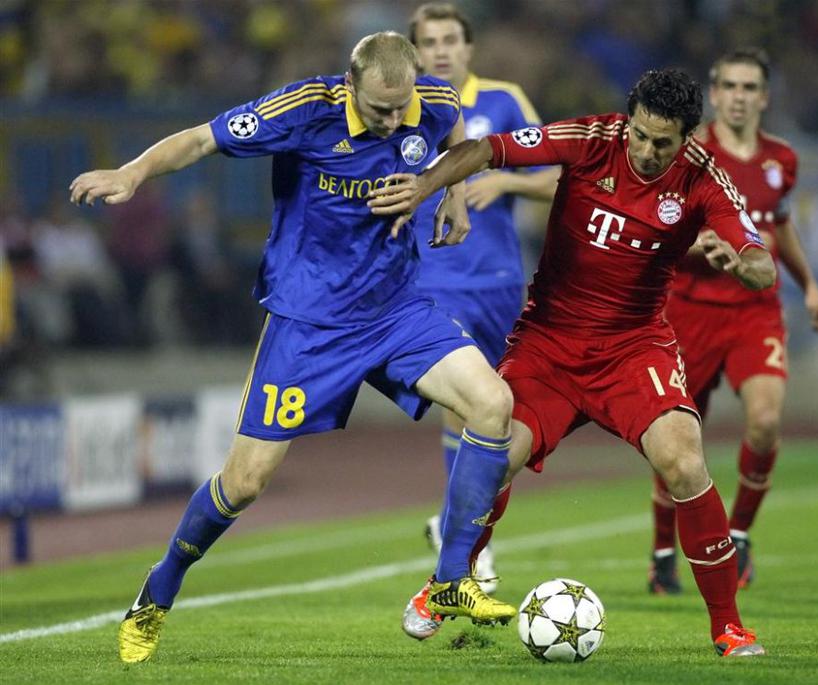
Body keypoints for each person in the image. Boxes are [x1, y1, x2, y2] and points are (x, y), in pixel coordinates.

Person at [69, 32, 519, 664]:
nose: (394, 121)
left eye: (402, 108)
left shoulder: (434, 101)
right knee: (245, 483)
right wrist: (132, 172)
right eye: (380, 109)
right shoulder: (304, 109)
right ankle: (160, 587)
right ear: (350, 83)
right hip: (309, 325)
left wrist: (451, 193)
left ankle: (450, 579)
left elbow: (458, 139)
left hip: (396, 310)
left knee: (493, 404)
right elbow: (200, 139)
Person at [370, 68, 774, 657]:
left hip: (633, 348)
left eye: (663, 143)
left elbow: (758, 259)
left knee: (685, 462)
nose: (646, 151)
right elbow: (485, 149)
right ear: (629, 119)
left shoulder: (702, 176)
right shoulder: (590, 139)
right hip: (549, 344)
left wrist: (746, 265)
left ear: (687, 137)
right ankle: (445, 585)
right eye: (640, 134)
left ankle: (728, 627)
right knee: (494, 460)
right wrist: (426, 186)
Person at [647, 49, 818, 596]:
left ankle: (741, 534)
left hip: (755, 310)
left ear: (764, 97)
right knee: (678, 440)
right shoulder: (686, 152)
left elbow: (779, 224)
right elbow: (657, 224)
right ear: (714, 92)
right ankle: (663, 552)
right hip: (690, 310)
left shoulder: (782, 159)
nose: (738, 96)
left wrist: (810, 283)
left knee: (766, 421)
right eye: (728, 86)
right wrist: (700, 245)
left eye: (749, 87)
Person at [403, 2, 560, 638]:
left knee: (498, 413)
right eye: (429, 41)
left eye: (451, 39)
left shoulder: (504, 99)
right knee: (465, 405)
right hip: (432, 279)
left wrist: (506, 183)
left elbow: (558, 176)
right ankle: (466, 551)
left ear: (469, 48)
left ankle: (455, 529)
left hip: (498, 282)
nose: (441, 50)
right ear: (414, 52)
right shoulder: (401, 109)